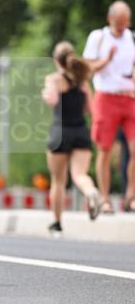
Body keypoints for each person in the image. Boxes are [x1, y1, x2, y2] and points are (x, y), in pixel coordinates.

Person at [42, 41, 101, 233]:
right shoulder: (82, 81)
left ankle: (57, 223)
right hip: (80, 131)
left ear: (55, 60)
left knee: (58, 181)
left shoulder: (54, 79)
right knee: (80, 175)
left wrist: (45, 93)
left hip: (60, 132)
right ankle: (91, 192)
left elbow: (52, 100)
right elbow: (91, 109)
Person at [82, 0, 135, 212]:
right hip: (106, 96)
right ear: (110, 19)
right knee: (105, 149)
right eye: (119, 23)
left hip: (129, 97)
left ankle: (130, 195)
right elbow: (87, 67)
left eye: (125, 23)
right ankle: (104, 198)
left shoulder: (131, 38)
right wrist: (107, 59)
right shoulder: (99, 37)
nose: (122, 28)